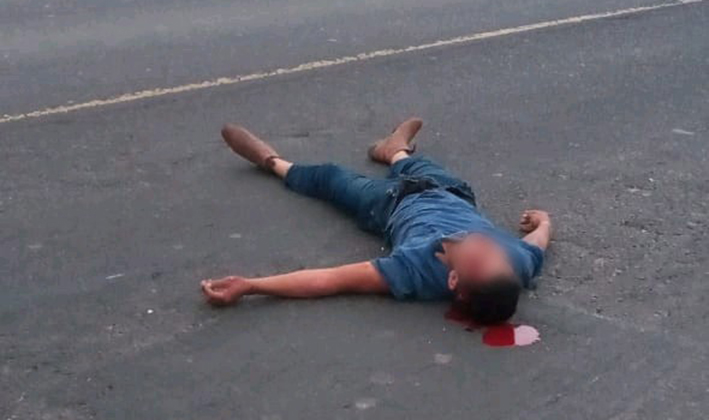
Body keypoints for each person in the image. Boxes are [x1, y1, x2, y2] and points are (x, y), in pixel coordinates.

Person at [201, 118, 552, 325]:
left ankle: (274, 163)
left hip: (391, 204)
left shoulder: (413, 271)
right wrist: (544, 222)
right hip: (450, 192)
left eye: (481, 257)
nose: (490, 244)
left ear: (454, 279)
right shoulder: (515, 264)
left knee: (333, 178)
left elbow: (329, 280)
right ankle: (395, 150)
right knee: (419, 167)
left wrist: (251, 285)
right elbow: (536, 245)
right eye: (499, 255)